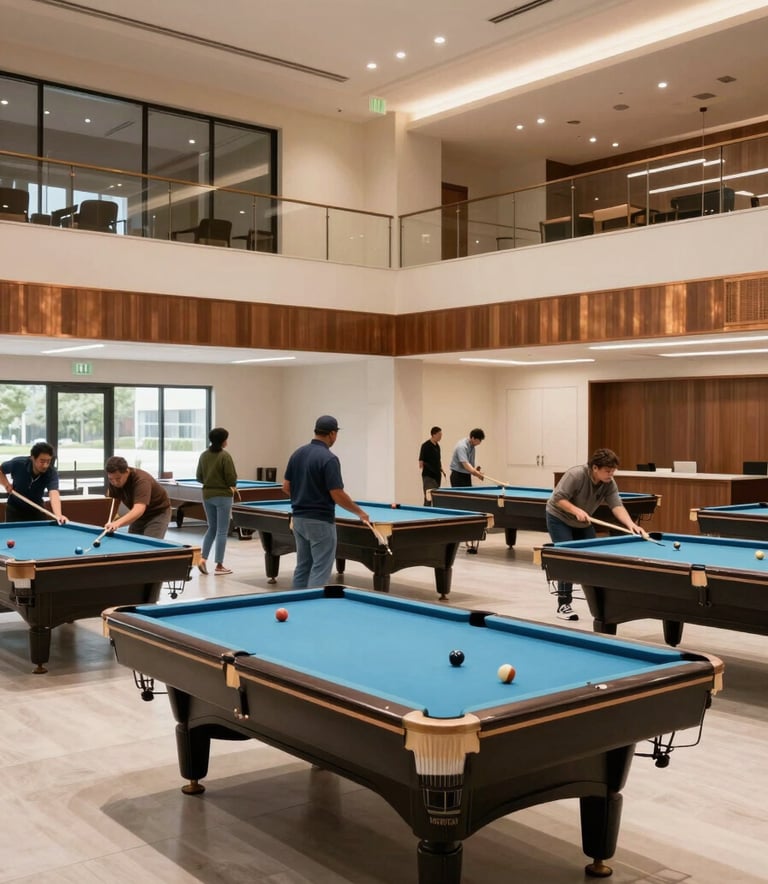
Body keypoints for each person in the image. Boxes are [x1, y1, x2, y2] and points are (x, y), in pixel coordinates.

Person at [546, 447, 643, 621]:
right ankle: (564, 604)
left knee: (594, 558)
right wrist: (576, 510)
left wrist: (631, 525)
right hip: (559, 518)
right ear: (595, 468)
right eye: (607, 471)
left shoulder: (609, 483)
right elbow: (558, 498)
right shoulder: (576, 475)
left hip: (583, 521)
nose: (610, 475)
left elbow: (617, 505)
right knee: (567, 558)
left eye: (613, 471)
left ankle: (600, 604)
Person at [283, 414, 369, 589]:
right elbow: (337, 494)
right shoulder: (329, 458)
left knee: (303, 566)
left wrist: (303, 496)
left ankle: (297, 605)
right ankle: (314, 610)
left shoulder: (297, 454)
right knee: (320, 569)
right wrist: (359, 512)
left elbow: (286, 487)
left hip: (298, 519)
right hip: (320, 521)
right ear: (332, 434)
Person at [195, 427, 238, 575]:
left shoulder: (203, 455)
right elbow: (231, 478)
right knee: (221, 531)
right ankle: (219, 566)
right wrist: (231, 486)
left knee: (212, 528)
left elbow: (199, 477)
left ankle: (202, 559)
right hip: (223, 496)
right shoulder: (225, 456)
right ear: (223, 441)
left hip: (207, 495)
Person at [104, 455, 172, 539]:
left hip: (157, 513)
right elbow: (111, 503)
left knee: (149, 546)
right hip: (139, 516)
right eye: (111, 479)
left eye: (118, 479)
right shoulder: (114, 481)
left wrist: (117, 523)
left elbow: (139, 509)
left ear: (127, 472)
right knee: (132, 543)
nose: (115, 482)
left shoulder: (141, 480)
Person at [0, 441, 68, 524]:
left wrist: (58, 515)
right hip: (15, 509)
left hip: (37, 510)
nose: (45, 465)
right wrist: (6, 484)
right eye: (42, 461)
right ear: (33, 458)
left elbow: (54, 493)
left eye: (48, 461)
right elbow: (1, 470)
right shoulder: (18, 463)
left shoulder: (51, 472)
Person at [418, 426, 445, 505]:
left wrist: (441, 468)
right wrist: (425, 467)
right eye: (439, 434)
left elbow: (438, 459)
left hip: (437, 475)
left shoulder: (437, 446)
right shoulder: (425, 445)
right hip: (428, 476)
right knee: (428, 497)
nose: (441, 436)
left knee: (436, 498)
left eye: (441, 434)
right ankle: (425, 514)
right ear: (433, 434)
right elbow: (421, 460)